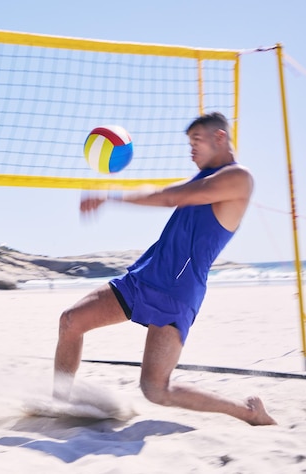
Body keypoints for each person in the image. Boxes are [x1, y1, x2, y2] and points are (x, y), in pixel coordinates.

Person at [53, 112, 276, 426]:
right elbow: (160, 191)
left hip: (177, 290)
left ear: (220, 138)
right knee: (70, 321)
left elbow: (171, 197)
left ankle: (249, 412)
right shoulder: (204, 179)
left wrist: (110, 196)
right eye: (189, 143)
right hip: (145, 275)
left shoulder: (238, 178)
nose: (191, 149)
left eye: (196, 141)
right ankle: (58, 404)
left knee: (156, 389)